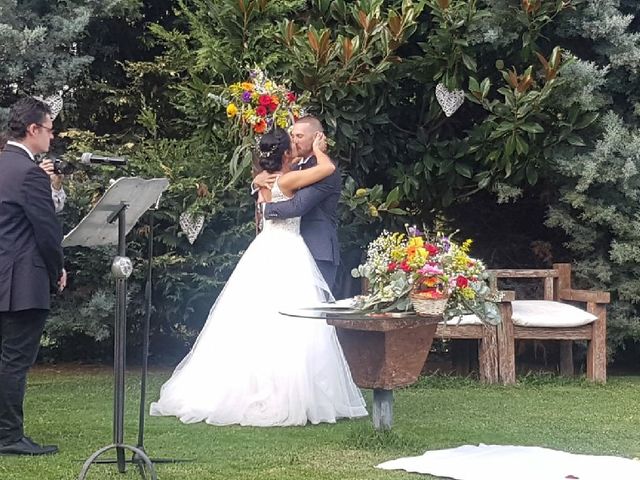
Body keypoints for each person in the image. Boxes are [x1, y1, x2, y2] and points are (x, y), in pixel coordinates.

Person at [150, 128, 367, 427]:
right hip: (290, 251)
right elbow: (327, 168)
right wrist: (319, 149)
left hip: (263, 249)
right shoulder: (288, 179)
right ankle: (291, 393)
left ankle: (251, 387)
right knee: (294, 321)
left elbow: (269, 200)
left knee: (255, 318)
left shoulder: (265, 181)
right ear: (287, 154)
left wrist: (255, 182)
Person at [0, 97, 66, 456]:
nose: (52, 137)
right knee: (14, 362)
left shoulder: (3, 165)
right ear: (33, 129)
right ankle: (9, 436)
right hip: (22, 281)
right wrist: (58, 270)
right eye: (50, 130)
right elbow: (47, 232)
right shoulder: (29, 173)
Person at [253, 116, 341, 294]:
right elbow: (275, 185)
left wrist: (265, 210)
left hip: (317, 250)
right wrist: (256, 183)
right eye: (292, 136)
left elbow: (298, 205)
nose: (293, 141)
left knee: (315, 310)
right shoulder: (291, 167)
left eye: (299, 136)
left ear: (317, 137)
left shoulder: (324, 169)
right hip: (289, 252)